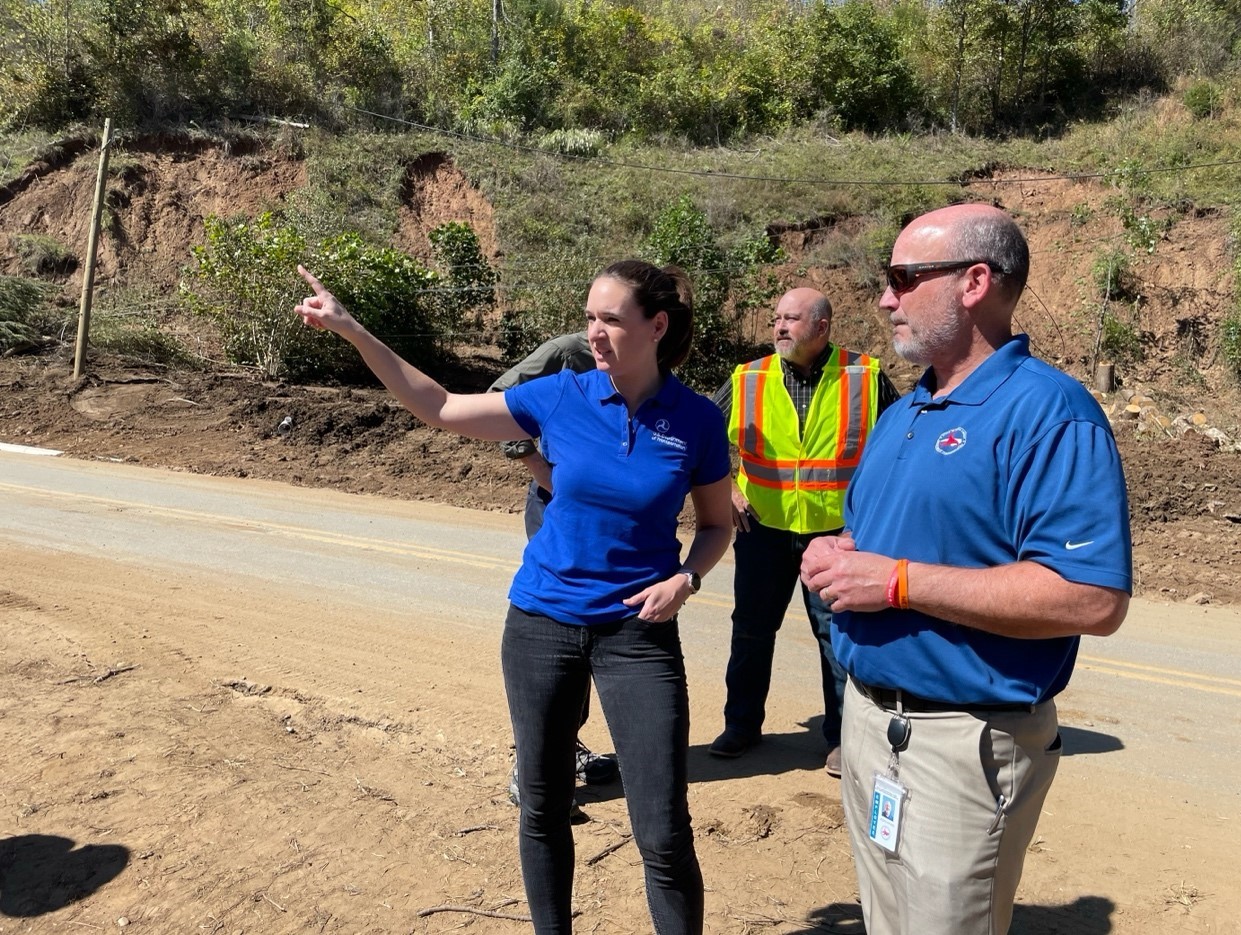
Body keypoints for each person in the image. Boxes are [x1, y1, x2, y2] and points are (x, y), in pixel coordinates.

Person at [295, 259, 733, 935]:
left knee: (664, 829)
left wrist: (688, 577)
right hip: (541, 625)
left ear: (657, 325)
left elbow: (714, 523)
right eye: (589, 317)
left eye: (610, 319)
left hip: (638, 635)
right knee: (543, 805)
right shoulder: (560, 395)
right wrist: (354, 331)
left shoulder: (696, 420)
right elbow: (437, 404)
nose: (594, 332)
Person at [800, 204, 1132, 935]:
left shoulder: (1050, 413)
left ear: (975, 281)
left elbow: (1090, 597)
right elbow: (877, 532)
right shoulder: (906, 410)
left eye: (902, 278)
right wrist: (840, 548)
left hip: (961, 743)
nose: (885, 298)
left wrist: (895, 582)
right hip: (869, 722)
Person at [707, 288, 898, 779]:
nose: (779, 327)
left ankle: (840, 740)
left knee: (837, 638)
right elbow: (700, 438)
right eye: (776, 319)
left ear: (822, 327)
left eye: (791, 319)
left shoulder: (865, 375)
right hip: (763, 528)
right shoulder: (748, 377)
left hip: (835, 535)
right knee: (751, 631)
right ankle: (741, 726)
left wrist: (873, 517)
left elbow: (900, 446)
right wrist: (725, 489)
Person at [487, 334, 619, 809]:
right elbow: (499, 396)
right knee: (556, 630)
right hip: (558, 507)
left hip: (611, 518)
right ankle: (533, 765)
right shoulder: (572, 352)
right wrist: (537, 465)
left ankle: (565, 747)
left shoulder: (653, 367)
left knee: (593, 634)